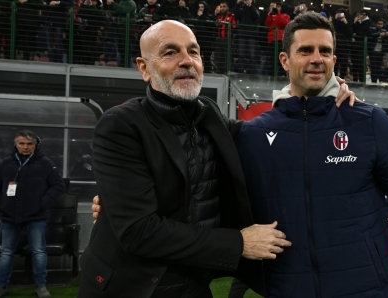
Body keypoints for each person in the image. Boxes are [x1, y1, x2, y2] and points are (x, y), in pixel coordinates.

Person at [80, 19, 357, 297]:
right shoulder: (120, 125)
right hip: (130, 287)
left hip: (194, 284)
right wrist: (238, 243)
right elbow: (139, 231)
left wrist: (324, 90)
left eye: (194, 51)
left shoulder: (208, 114)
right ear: (144, 68)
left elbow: (269, 135)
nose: (186, 61)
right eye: (170, 52)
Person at [234, 12, 388, 297]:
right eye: (305, 50)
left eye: (325, 51)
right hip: (289, 288)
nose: (316, 58)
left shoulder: (368, 122)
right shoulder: (255, 134)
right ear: (285, 60)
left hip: (368, 288)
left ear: (334, 61)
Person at [0, 130, 65, 298]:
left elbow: (58, 186)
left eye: (29, 144)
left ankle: (41, 286)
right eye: (22, 143)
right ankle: (1, 285)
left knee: (39, 252)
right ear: (16, 145)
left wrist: (42, 204)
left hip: (36, 216)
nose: (25, 147)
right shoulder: (6, 164)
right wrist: (1, 204)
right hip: (9, 215)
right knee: (6, 252)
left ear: (35, 146)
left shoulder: (46, 164)